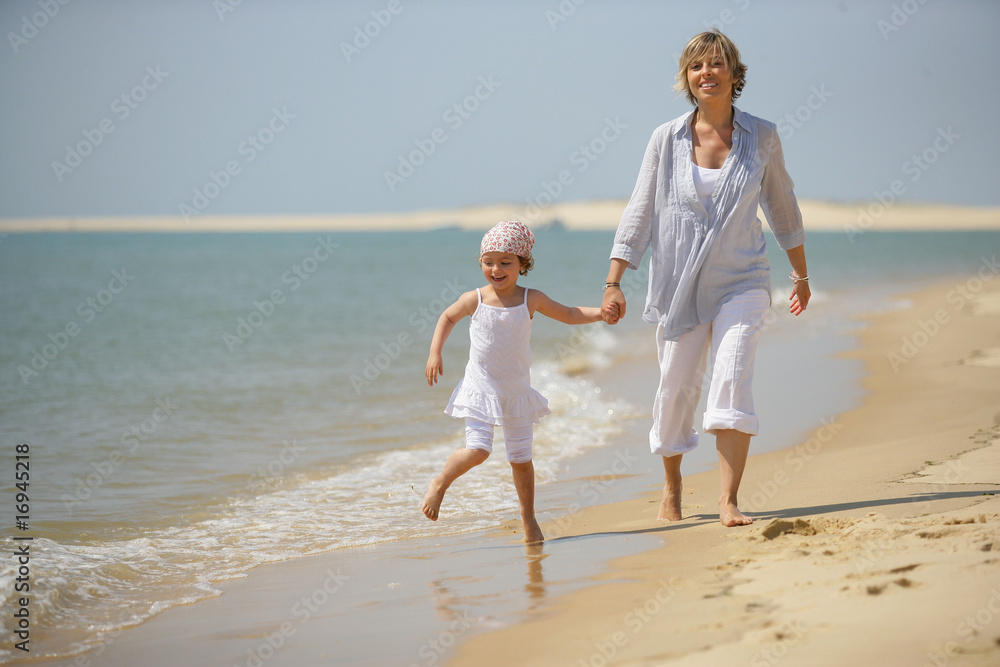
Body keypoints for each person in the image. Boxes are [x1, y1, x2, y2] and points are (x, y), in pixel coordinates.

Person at [601, 29, 810, 527]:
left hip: (744, 279)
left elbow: (782, 205)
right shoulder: (665, 138)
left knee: (732, 376)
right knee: (674, 391)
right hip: (679, 287)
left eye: (716, 65)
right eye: (696, 66)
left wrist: (800, 273)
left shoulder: (762, 136)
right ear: (686, 77)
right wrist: (614, 279)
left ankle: (727, 499)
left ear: (735, 76)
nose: (706, 73)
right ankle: (672, 489)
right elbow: (640, 210)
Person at [422, 220, 614, 544]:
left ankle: (529, 520)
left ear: (523, 264)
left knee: (521, 460)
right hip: (481, 388)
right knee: (479, 450)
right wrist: (434, 353)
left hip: (516, 393)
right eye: (488, 262)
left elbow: (567, 313)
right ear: (480, 262)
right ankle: (440, 482)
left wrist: (600, 313)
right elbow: (447, 317)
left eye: (505, 262)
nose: (496, 269)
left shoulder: (530, 299)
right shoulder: (475, 299)